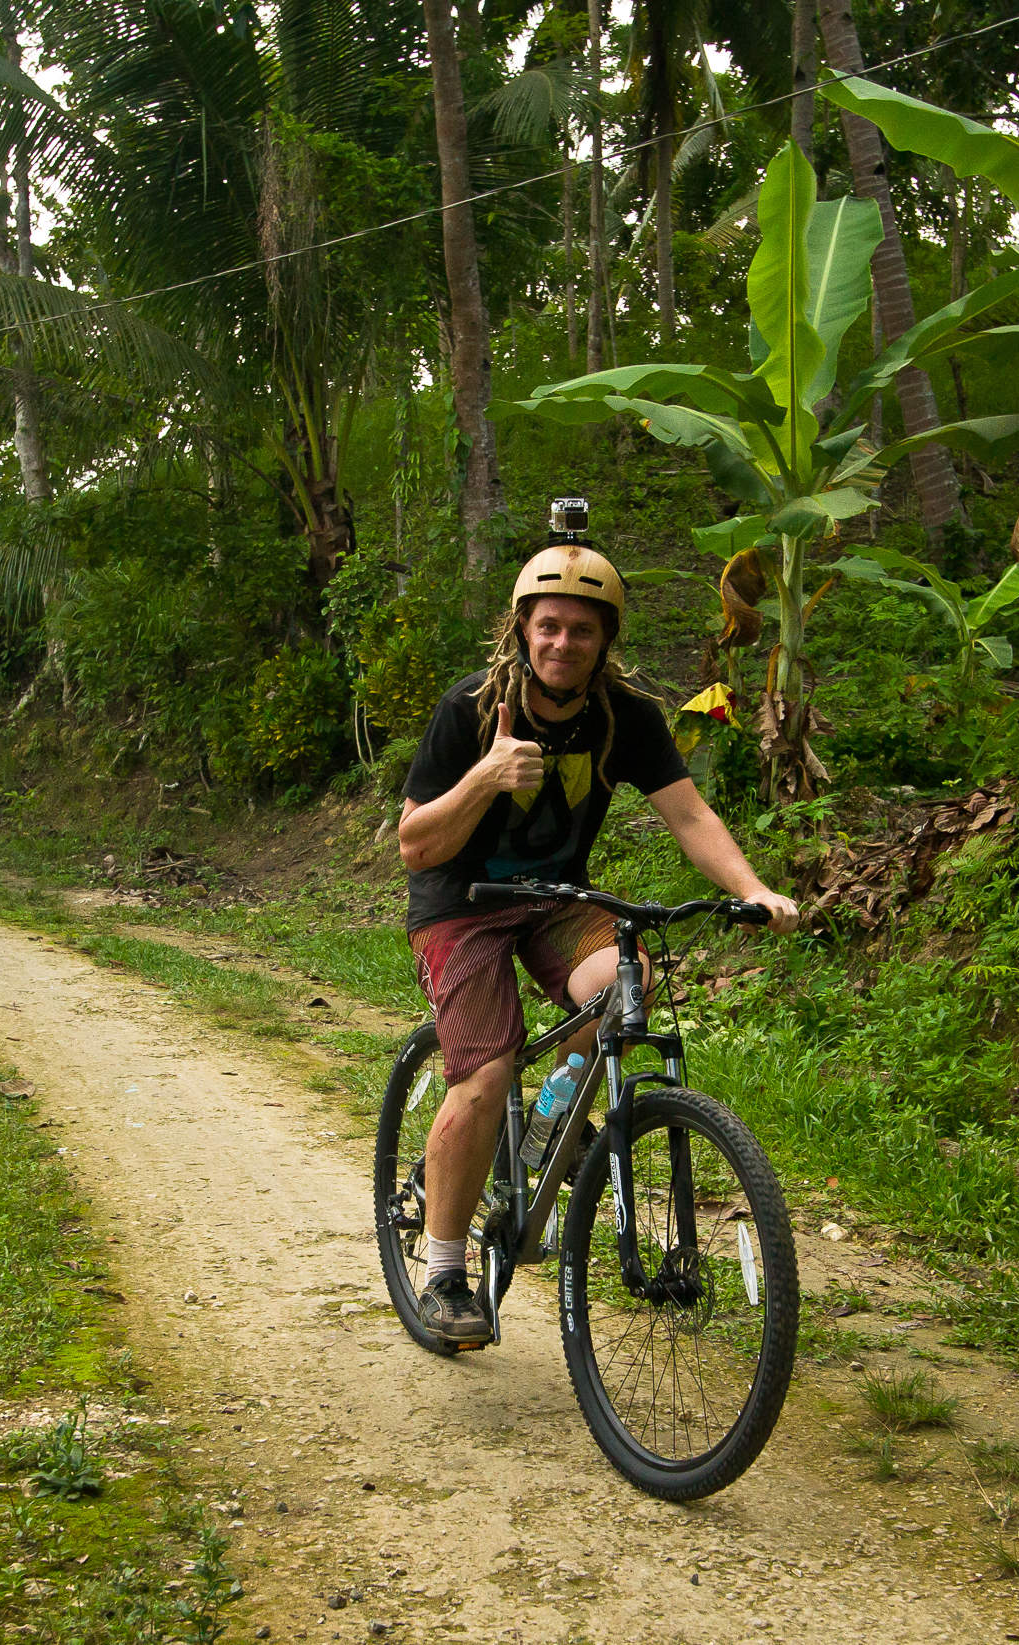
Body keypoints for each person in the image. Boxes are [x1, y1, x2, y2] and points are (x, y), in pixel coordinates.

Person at [395, 498, 802, 1347]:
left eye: (582, 631)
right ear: (521, 629)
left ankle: (550, 1121)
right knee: (482, 1073)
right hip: (458, 908)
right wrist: (484, 778)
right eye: (548, 626)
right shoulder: (467, 708)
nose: (562, 644)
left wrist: (755, 887)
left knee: (626, 985)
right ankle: (443, 1269)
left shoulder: (625, 716)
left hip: (553, 899)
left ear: (604, 640)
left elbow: (689, 818)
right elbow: (414, 842)